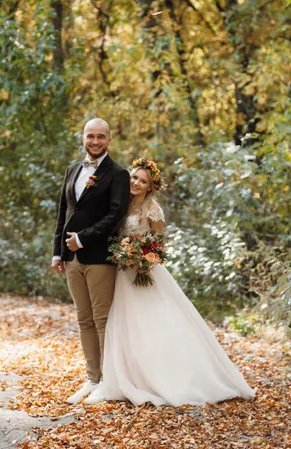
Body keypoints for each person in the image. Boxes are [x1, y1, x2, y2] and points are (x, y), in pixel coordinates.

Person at [87, 158, 255, 406]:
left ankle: (166, 377)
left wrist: (141, 258)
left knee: (154, 322)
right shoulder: (121, 203)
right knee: (126, 323)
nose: (136, 182)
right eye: (134, 177)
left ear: (150, 186)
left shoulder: (153, 211)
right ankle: (128, 376)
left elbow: (158, 245)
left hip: (143, 272)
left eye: (143, 181)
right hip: (122, 273)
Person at [51, 118, 130, 404]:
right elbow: (64, 212)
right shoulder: (72, 170)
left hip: (99, 257)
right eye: (90, 136)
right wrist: (58, 251)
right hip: (71, 258)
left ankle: (110, 381)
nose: (95, 141)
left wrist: (83, 238)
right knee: (83, 319)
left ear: (109, 140)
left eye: (100, 137)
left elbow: (116, 214)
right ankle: (92, 378)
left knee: (102, 320)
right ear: (83, 138)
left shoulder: (118, 173)